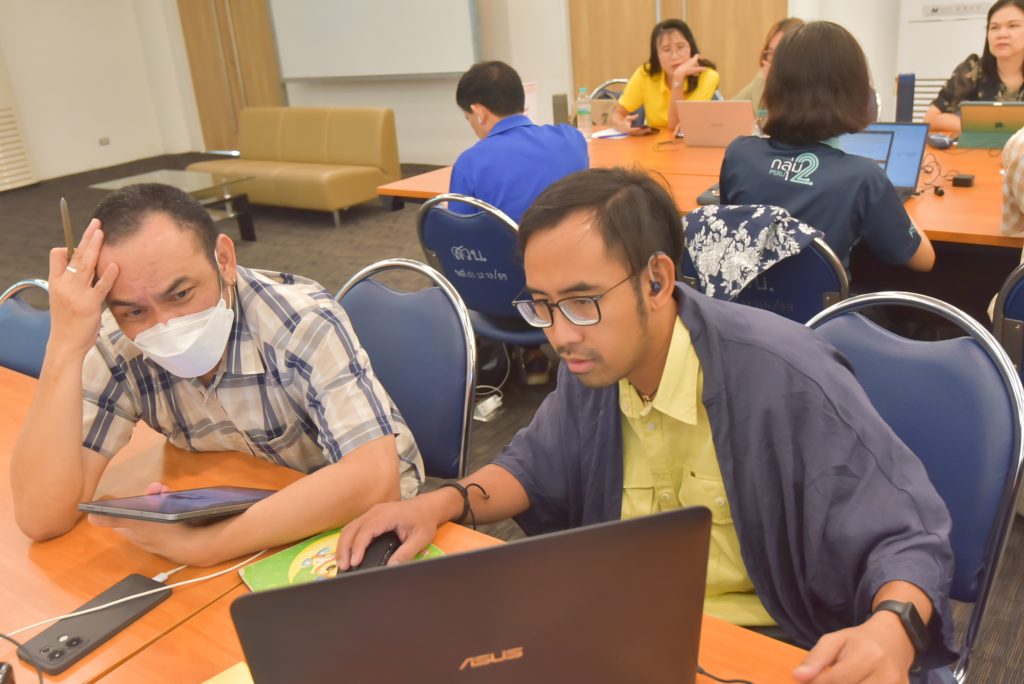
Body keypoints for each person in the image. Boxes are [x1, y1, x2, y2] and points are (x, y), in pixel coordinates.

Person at [336, 167, 957, 683]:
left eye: (581, 302)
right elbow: (533, 464)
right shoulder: (594, 364)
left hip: (765, 649)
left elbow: (908, 537)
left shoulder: (787, 380)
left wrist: (891, 629)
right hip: (623, 637)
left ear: (656, 281)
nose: (560, 335)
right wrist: (439, 503)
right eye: (542, 306)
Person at [10, 183, 424, 567]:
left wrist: (206, 546)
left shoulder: (300, 322)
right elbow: (41, 517)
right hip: (243, 510)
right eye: (135, 311)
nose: (166, 325)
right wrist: (64, 346)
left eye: (181, 294)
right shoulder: (116, 342)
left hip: (357, 521)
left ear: (224, 260)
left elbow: (374, 480)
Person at [719, 21, 936, 273]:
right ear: (854, 92)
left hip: (744, 298)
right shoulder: (863, 178)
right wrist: (893, 203)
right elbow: (925, 260)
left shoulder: (739, 154)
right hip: (824, 301)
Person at [450, 60, 589, 385]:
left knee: (497, 248)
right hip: (577, 286)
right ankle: (534, 353)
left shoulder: (470, 162)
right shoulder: (572, 140)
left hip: (502, 296)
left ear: (479, 112)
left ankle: (520, 354)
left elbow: (458, 239)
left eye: (468, 118)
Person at [925, 0, 1024, 134]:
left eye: (1013, 26)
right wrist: (988, 128)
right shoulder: (973, 69)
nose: (1001, 34)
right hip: (978, 147)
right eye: (994, 27)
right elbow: (931, 118)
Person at [610, 19, 720, 134]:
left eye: (680, 47)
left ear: (690, 48)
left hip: (689, 142)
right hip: (654, 143)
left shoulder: (708, 76)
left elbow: (675, 125)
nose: (674, 56)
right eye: (666, 50)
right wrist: (621, 125)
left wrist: (678, 77)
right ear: (657, 54)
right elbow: (618, 113)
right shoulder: (645, 74)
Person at [731, 17, 804, 108]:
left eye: (779, 52)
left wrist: (775, 85)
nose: (772, 59)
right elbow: (730, 108)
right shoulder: (763, 77)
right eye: (770, 52)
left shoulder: (808, 90)